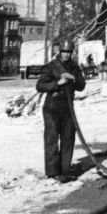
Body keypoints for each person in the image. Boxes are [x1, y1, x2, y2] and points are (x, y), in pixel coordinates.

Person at [36, 39, 86, 181]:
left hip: (68, 107)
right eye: (64, 52)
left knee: (68, 138)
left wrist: (74, 79)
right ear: (59, 51)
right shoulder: (51, 66)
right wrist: (58, 83)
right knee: (52, 138)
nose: (66, 55)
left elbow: (82, 86)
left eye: (69, 52)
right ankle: (52, 172)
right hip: (52, 107)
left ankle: (65, 170)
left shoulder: (74, 67)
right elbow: (40, 86)